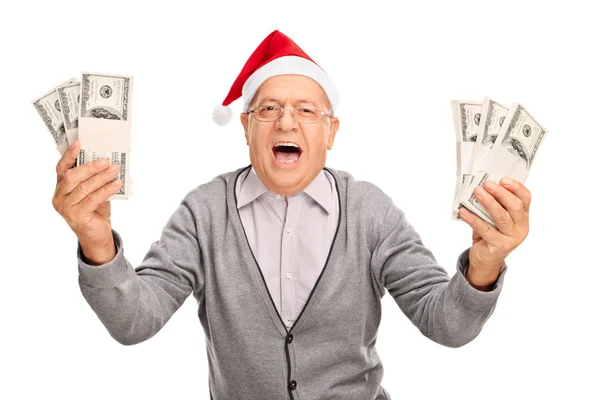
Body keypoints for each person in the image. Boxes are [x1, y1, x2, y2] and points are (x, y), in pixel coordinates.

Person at [51, 30, 532, 400]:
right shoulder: (203, 213)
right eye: (268, 109)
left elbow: (446, 325)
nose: (286, 122)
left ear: (331, 132)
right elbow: (136, 321)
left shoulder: (370, 211)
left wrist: (485, 263)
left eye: (306, 110)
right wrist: (96, 239)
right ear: (245, 126)